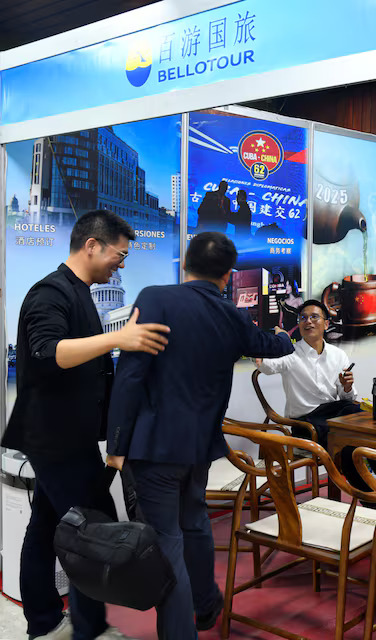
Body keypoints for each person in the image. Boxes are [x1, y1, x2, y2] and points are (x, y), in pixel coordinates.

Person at [105, 232, 294, 639]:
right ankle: (206, 605)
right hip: (200, 449)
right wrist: (285, 337)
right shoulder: (233, 316)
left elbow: (130, 377)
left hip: (154, 449)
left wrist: (115, 445)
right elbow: (271, 345)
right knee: (194, 523)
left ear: (184, 263)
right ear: (228, 276)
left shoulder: (156, 298)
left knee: (167, 542)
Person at [2, 210, 172, 640]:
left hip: (67, 436)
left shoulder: (80, 292)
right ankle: (90, 629)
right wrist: (118, 339)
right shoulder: (49, 293)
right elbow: (47, 352)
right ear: (92, 245)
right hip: (54, 439)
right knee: (94, 533)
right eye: (120, 253)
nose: (122, 262)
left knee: (45, 527)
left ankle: (44, 623)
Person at [256, 301, 376, 491]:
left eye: (314, 317)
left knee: (362, 419)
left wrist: (347, 387)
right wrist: (279, 338)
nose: (308, 322)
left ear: (326, 324)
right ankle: (370, 494)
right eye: (303, 318)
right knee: (349, 444)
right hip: (306, 423)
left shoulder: (338, 355)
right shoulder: (289, 353)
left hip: (334, 416)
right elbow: (265, 365)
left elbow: (346, 398)